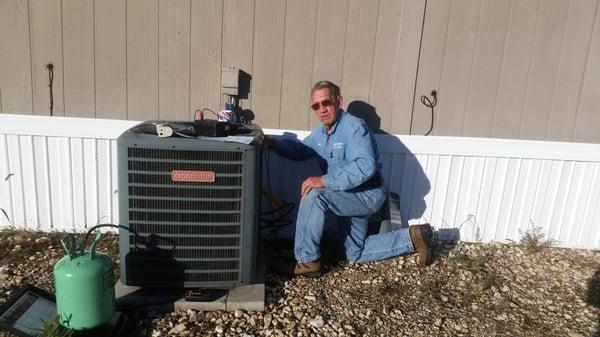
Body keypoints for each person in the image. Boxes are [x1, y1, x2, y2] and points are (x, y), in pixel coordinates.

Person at [264, 80, 432, 277]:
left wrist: (324, 181)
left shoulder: (354, 128)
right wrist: (272, 142)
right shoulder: (321, 132)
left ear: (339, 101)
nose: (321, 109)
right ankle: (414, 238)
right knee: (354, 253)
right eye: (316, 106)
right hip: (346, 196)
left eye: (326, 102)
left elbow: (365, 165)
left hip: (366, 195)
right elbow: (301, 149)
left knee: (315, 195)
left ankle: (307, 261)